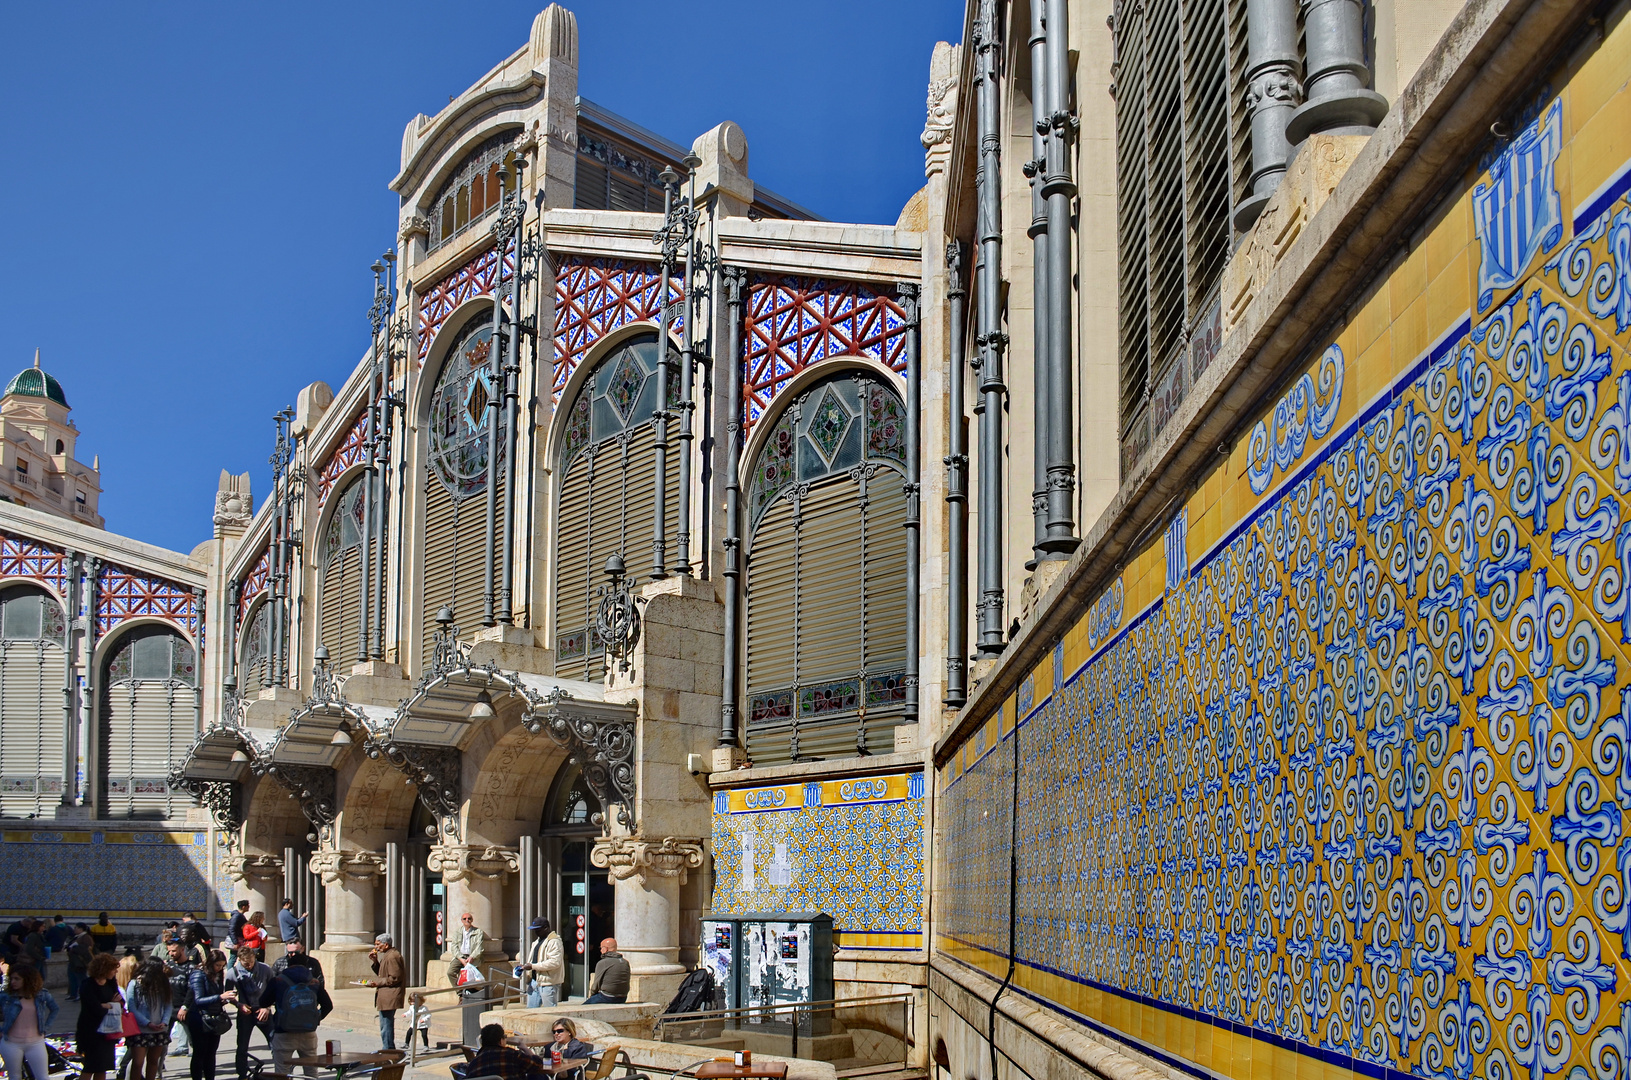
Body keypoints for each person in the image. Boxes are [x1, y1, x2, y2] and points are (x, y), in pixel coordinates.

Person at [265, 964, 331, 1078]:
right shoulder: (314, 983)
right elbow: (328, 1005)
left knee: (282, 1072)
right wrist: (316, 1019)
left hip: (283, 1032)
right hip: (308, 1031)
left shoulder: (278, 981)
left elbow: (263, 1002)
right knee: (311, 1071)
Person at [0, 962, 60, 1080]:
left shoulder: (41, 995)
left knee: (42, 1076)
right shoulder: (5, 996)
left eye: (17, 979)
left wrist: (46, 1027)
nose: (13, 982)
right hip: (11, 1043)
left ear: (27, 979)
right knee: (15, 1076)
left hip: (35, 1042)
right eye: (11, 978)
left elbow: (55, 1009)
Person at [126, 958, 182, 1080]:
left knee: (153, 1061)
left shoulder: (163, 984)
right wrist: (147, 1023)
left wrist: (164, 1022)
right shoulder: (135, 983)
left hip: (159, 1029)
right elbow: (132, 1007)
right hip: (140, 1030)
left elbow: (168, 1005)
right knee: (138, 1062)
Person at [224, 945, 273, 1080]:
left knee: (275, 1042)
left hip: (263, 1010)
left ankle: (280, 1071)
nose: (250, 965)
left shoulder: (265, 969)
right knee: (242, 1046)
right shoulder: (232, 973)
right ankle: (242, 1074)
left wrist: (267, 1007)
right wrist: (238, 1005)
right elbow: (227, 995)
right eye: (246, 963)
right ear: (239, 960)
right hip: (245, 1011)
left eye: (252, 962)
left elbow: (274, 989)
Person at [185, 950, 234, 1080]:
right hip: (199, 1018)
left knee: (211, 1053)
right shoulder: (198, 974)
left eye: (222, 966)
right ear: (211, 963)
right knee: (200, 1052)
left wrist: (223, 999)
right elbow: (199, 999)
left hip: (214, 1017)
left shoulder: (217, 975)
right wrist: (219, 997)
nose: (219, 968)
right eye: (217, 965)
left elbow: (215, 994)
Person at [75, 953, 122, 1080]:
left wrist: (107, 1005)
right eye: (113, 969)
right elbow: (95, 1008)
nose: (115, 972)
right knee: (90, 1066)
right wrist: (109, 1004)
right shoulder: (88, 985)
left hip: (108, 1031)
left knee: (103, 1067)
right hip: (91, 1030)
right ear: (104, 969)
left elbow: (119, 1001)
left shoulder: (111, 982)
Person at [365, 934, 406, 1052]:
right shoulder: (388, 955)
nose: (376, 947)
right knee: (384, 1024)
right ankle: (387, 1048)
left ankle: (388, 1050)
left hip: (390, 995)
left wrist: (377, 983)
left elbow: (395, 977)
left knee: (386, 1025)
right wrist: (375, 961)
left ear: (386, 944)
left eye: (378, 944)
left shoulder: (393, 956)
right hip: (385, 995)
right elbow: (382, 973)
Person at [465, 1023, 549, 1080]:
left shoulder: (473, 1064)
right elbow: (540, 1064)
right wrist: (526, 1049)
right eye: (505, 1037)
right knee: (538, 1075)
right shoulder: (511, 1055)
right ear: (501, 1041)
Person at [519, 919, 564, 1009]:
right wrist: (525, 966)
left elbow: (555, 962)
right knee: (531, 1012)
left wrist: (532, 966)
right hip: (534, 981)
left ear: (546, 928)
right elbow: (535, 959)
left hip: (548, 983)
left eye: (538, 930)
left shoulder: (554, 941)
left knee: (550, 1011)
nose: (536, 932)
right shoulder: (537, 942)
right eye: (534, 930)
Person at [584, 940, 629, 1004]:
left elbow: (596, 985)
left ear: (605, 949)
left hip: (607, 997)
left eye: (601, 948)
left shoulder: (603, 963)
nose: (600, 950)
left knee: (583, 1007)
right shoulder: (625, 962)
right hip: (623, 997)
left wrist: (592, 996)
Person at [446, 913, 485, 986]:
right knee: (450, 973)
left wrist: (472, 957)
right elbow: (454, 947)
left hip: (472, 957)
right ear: (462, 920)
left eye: (469, 918)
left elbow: (479, 947)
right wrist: (461, 959)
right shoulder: (457, 932)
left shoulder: (478, 932)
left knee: (472, 978)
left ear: (472, 920)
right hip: (460, 957)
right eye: (465, 919)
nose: (467, 920)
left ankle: (470, 994)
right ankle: (460, 992)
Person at [68, 924, 94, 1002]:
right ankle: (73, 994)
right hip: (74, 961)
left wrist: (74, 948)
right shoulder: (77, 937)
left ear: (81, 929)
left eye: (76, 928)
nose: (74, 929)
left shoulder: (86, 937)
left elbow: (86, 949)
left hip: (80, 962)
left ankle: (83, 994)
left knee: (81, 978)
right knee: (72, 978)